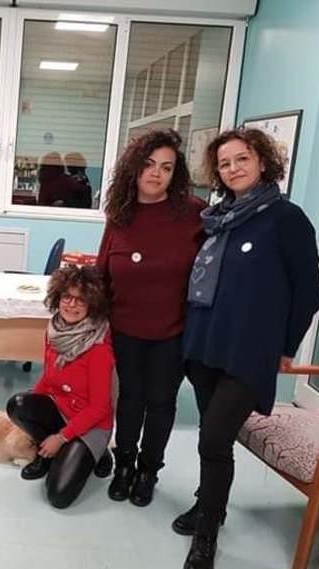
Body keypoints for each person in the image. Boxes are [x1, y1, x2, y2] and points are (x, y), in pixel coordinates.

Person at [176, 128, 319, 569]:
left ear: (262, 161)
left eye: (242, 158)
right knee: (213, 435)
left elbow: (308, 292)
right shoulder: (218, 217)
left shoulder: (285, 218)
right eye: (225, 163)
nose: (233, 168)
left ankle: (207, 533)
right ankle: (209, 504)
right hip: (205, 344)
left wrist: (286, 347)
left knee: (214, 436)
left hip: (249, 351)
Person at [97, 129, 205, 507]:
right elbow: (103, 272)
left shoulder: (193, 213)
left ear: (176, 174)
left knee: (161, 403)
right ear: (134, 168)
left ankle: (148, 470)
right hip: (125, 329)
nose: (156, 173)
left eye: (167, 167)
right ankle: (124, 464)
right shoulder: (120, 215)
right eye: (149, 164)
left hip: (173, 332)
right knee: (130, 398)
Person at [6, 266, 115, 509]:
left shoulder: (99, 349)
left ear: (92, 305)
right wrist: (31, 407)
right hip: (61, 410)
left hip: (91, 425)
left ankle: (97, 452)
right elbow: (49, 376)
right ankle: (47, 454)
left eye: (81, 300)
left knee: (59, 496)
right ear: (58, 297)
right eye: (67, 297)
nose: (71, 305)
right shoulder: (54, 330)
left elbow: (99, 408)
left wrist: (60, 437)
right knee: (18, 405)